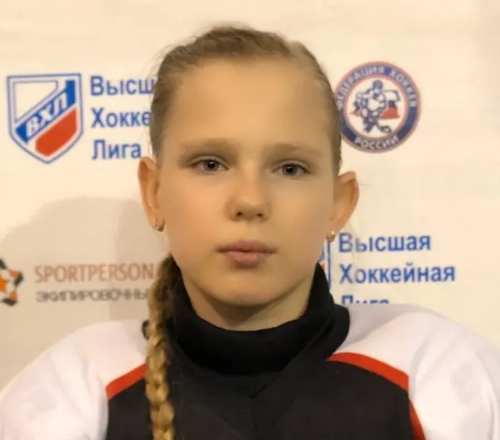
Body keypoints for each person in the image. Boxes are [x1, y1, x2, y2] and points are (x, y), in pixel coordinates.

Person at [0, 25, 499, 440]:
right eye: (210, 163)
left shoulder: (442, 375)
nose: (250, 201)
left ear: (338, 204)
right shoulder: (72, 391)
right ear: (154, 192)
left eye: (290, 168)